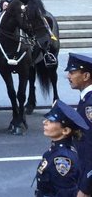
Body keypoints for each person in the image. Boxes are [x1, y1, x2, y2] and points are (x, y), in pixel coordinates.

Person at [35, 100, 88, 197]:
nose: (44, 122)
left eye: (51, 121)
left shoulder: (62, 159)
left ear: (65, 130)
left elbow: (65, 193)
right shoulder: (56, 151)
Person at [65, 53, 92, 196]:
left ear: (86, 76)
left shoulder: (90, 105)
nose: (68, 76)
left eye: (72, 72)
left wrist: (86, 186)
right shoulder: (86, 99)